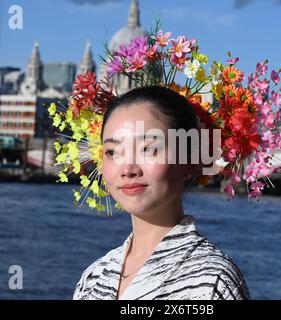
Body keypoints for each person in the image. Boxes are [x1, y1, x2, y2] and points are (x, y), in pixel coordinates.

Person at [73, 85, 250, 300]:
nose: (128, 169)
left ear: (189, 162)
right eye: (113, 151)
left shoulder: (212, 281)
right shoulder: (93, 277)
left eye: (148, 148)